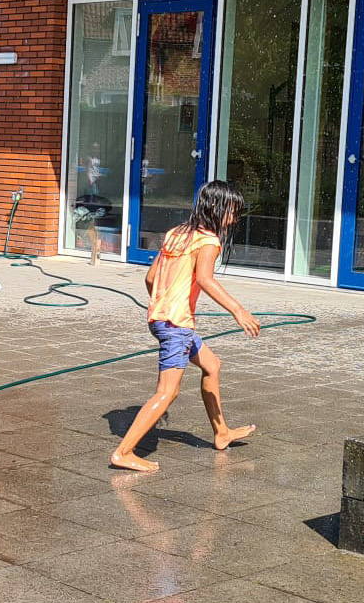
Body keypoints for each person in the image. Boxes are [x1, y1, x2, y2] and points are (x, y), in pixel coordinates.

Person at [109, 180, 261, 473]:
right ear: (219, 209)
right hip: (176, 325)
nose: (236, 218)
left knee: (212, 366)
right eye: (234, 211)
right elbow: (205, 279)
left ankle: (222, 432)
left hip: (163, 320)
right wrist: (238, 310)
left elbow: (151, 278)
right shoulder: (208, 241)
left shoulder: (177, 233)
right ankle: (124, 452)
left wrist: (164, 303)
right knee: (167, 392)